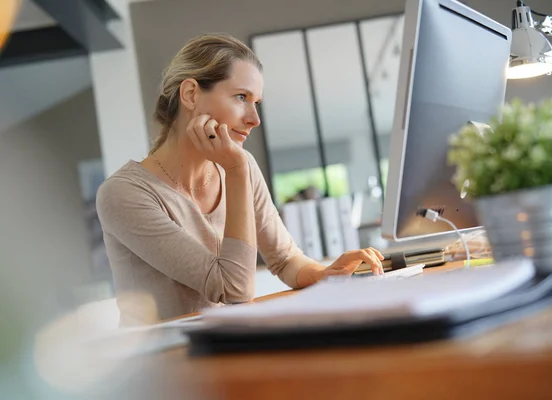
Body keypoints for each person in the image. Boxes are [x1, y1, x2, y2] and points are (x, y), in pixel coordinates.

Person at [96, 33, 385, 326]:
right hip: (164, 364)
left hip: (225, 346)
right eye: (241, 97)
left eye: (256, 102)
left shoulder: (240, 164)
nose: (254, 118)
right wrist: (235, 173)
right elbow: (233, 288)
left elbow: (285, 259)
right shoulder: (124, 193)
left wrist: (324, 274)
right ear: (191, 94)